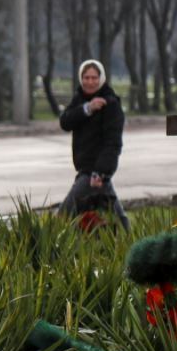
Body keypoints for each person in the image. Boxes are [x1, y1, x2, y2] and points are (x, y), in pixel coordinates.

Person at [57, 59, 130, 229]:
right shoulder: (80, 99)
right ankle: (130, 240)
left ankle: (49, 246)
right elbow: (65, 122)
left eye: (94, 78)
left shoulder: (110, 104)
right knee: (115, 214)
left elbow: (112, 143)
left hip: (93, 173)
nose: (90, 82)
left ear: (101, 78)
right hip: (87, 170)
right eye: (86, 78)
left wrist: (101, 172)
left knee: (64, 215)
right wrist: (87, 109)